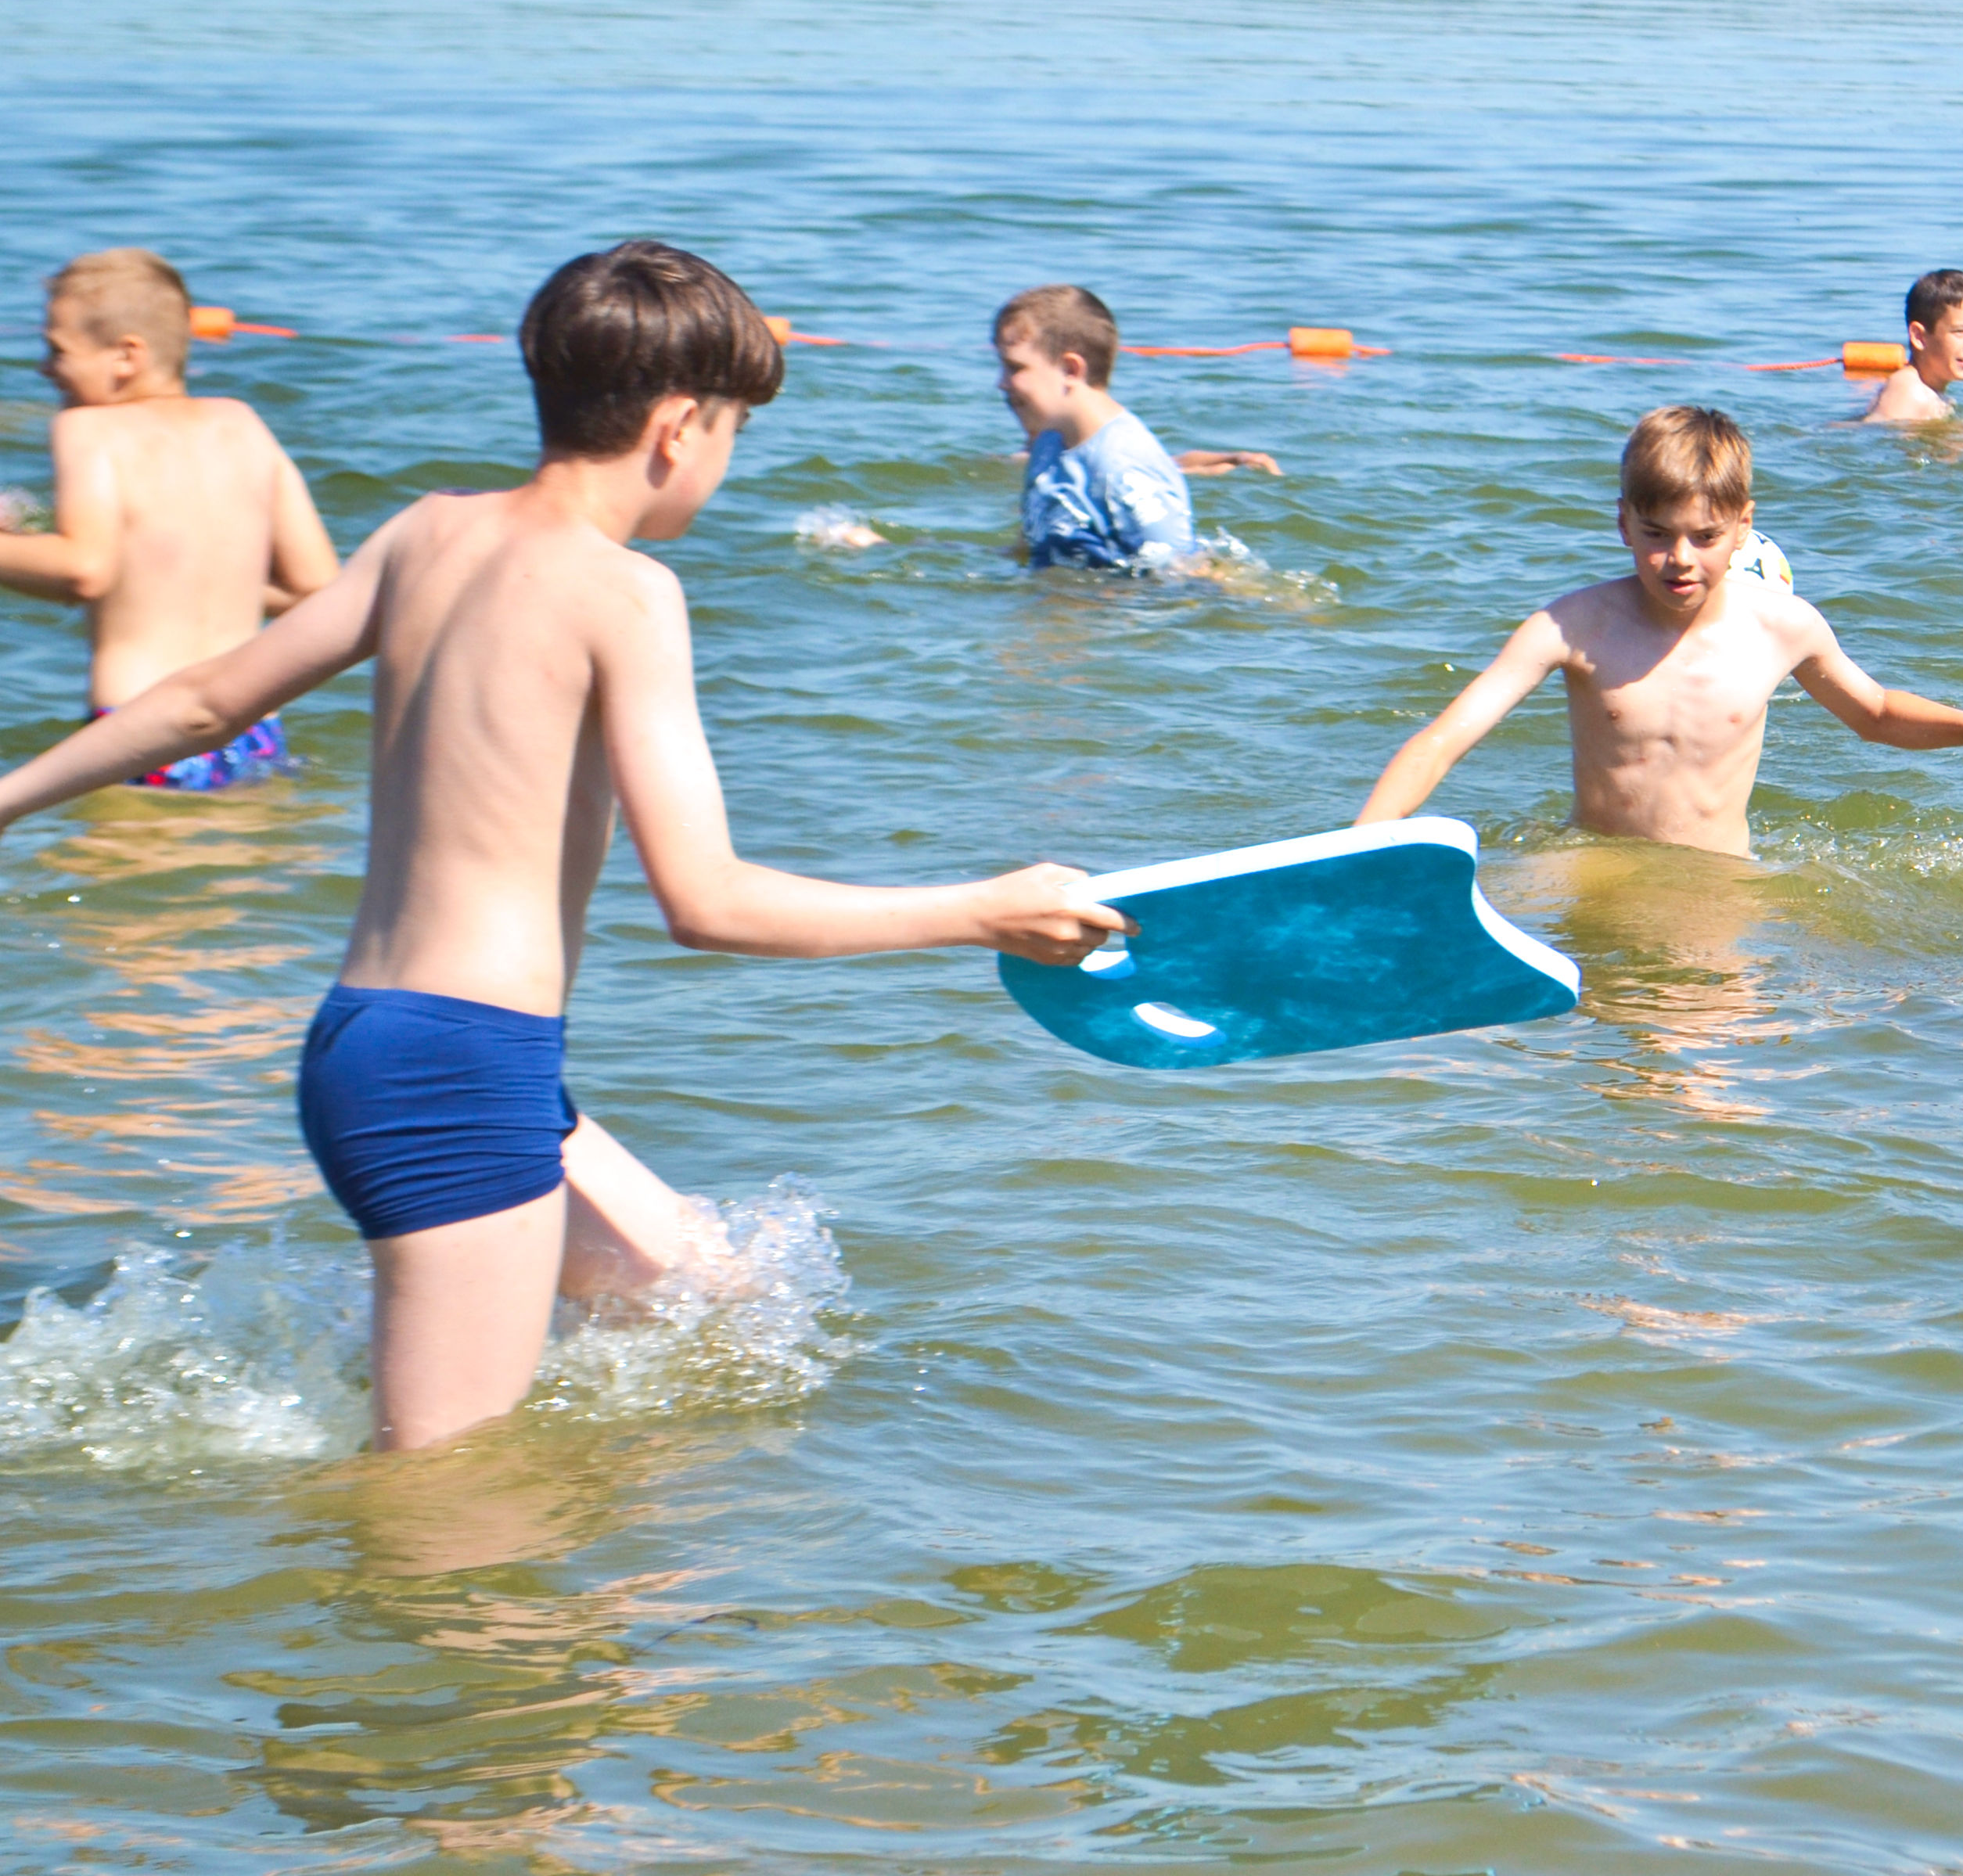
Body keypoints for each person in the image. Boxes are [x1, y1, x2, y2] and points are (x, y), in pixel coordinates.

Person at [0, 242, 1124, 1452]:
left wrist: (8, 798)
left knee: (720, 1303)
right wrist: (982, 911)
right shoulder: (626, 594)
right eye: (737, 432)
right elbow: (707, 902)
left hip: (382, 1041)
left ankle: (625, 1559)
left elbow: (202, 702)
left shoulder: (427, 533)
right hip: (458, 1069)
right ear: (680, 427)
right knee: (448, 1493)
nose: (726, 463)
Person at [1355, 404, 1963, 857]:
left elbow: (1874, 714)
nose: (1680, 558)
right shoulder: (1571, 626)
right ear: (1623, 524)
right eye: (1657, 534)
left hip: (1716, 877)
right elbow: (1442, 742)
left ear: (1743, 527)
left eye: (1705, 536)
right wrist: (1355, 848)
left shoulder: (1782, 627)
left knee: (1714, 1041)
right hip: (1595, 862)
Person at [0, 249, 338, 789]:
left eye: (57, 350)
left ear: (126, 356)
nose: (44, 368)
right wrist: (171, 585)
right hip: (253, 733)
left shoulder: (88, 428)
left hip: (142, 734)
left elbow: (84, 570)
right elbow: (316, 590)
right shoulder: (243, 424)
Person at [993, 285, 1273, 573]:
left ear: (1071, 370)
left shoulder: (1124, 469)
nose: (1000, 383)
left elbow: (1184, 574)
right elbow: (1029, 548)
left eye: (1015, 368)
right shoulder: (1049, 444)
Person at [1860, 268, 1963, 425]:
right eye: (1960, 332)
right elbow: (1879, 433)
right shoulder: (1910, 393)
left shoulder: (1923, 390)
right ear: (1919, 337)